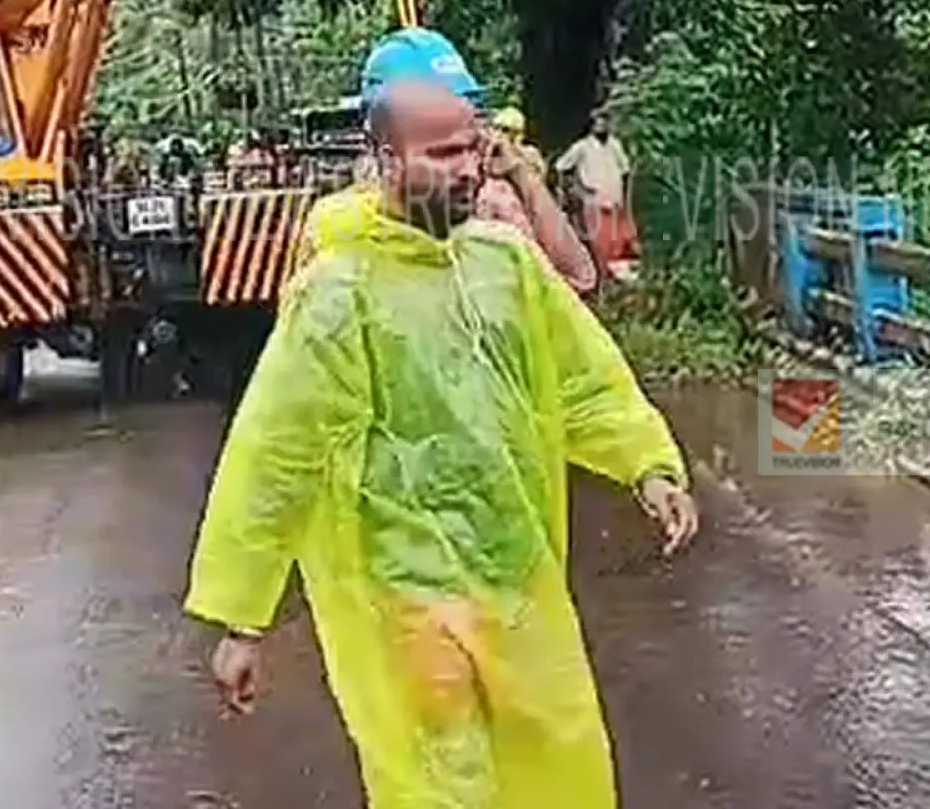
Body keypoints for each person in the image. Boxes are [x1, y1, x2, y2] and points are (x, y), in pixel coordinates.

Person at [188, 78, 700, 808]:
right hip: (406, 601)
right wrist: (244, 620)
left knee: (558, 766)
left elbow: (580, 376)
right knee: (443, 786)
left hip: (515, 578)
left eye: (469, 148)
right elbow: (278, 453)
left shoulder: (506, 266)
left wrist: (646, 466)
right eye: (439, 153)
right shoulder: (339, 294)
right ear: (384, 160)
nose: (463, 167)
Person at [301, 30, 596, 294]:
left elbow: (578, 278)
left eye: (467, 141)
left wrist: (519, 173)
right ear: (384, 149)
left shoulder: (489, 207)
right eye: (441, 150)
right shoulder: (342, 232)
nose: (466, 168)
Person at [555, 108, 639, 282]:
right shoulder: (582, 147)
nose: (602, 126)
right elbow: (561, 167)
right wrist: (577, 189)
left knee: (617, 243)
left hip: (615, 201)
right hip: (594, 202)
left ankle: (613, 281)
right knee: (599, 244)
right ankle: (597, 279)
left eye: (605, 122)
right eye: (598, 123)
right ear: (592, 126)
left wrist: (625, 198)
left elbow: (625, 171)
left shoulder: (615, 145)